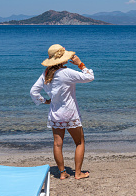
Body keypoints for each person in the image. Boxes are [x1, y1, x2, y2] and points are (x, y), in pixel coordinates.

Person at [30, 44, 94, 180]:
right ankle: (77, 173)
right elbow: (89, 77)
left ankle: (63, 173)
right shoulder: (66, 73)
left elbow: (33, 91)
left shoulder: (46, 74)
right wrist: (80, 64)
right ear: (62, 59)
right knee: (80, 142)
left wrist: (45, 101)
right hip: (70, 113)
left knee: (58, 144)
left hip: (55, 114)